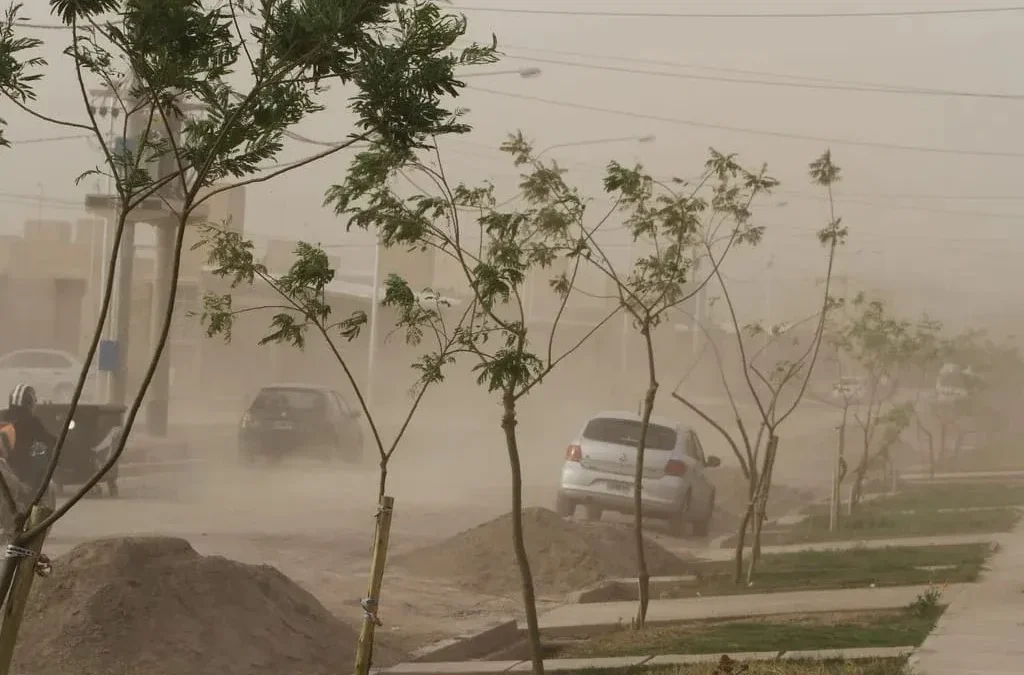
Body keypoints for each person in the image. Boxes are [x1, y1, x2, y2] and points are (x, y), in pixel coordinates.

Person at [0, 384, 56, 490]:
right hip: (18, 465)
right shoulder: (32, 421)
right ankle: (35, 501)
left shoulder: (1, 414)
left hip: (4, 463)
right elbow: (50, 441)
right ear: (30, 403)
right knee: (41, 462)